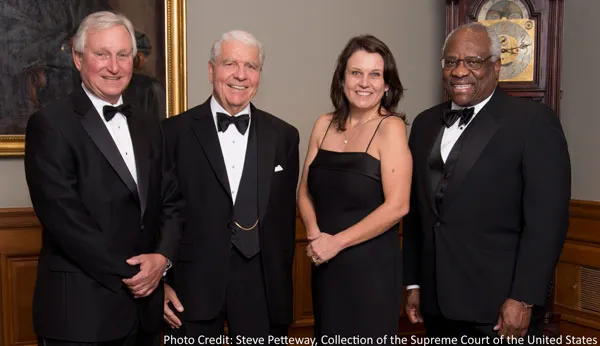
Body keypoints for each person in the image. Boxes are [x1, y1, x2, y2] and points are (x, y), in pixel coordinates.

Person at [24, 11, 183, 346]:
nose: (114, 66)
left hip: (145, 313)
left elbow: (170, 199)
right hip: (81, 315)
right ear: (79, 59)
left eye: (123, 55)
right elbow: (64, 218)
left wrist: (162, 259)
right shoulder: (50, 124)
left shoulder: (149, 125)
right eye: (102, 54)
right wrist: (132, 273)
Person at [403, 22, 570, 340]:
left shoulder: (533, 122)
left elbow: (547, 223)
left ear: (496, 67)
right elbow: (417, 214)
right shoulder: (424, 123)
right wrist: (414, 282)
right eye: (451, 62)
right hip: (436, 304)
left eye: (473, 62)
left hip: (498, 307)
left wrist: (523, 298)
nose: (459, 71)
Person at [161, 30, 299, 343]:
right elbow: (160, 213)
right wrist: (162, 283)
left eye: (250, 66)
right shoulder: (172, 133)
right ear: (211, 70)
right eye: (230, 64)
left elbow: (283, 224)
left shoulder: (284, 137)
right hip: (189, 292)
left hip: (263, 294)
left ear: (259, 74)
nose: (240, 75)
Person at [297, 34, 411, 343]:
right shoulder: (323, 124)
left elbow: (398, 206)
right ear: (342, 78)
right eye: (356, 73)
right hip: (325, 262)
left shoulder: (391, 129)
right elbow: (304, 190)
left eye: (375, 74)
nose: (365, 82)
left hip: (370, 269)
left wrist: (336, 243)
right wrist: (314, 233)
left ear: (387, 84)